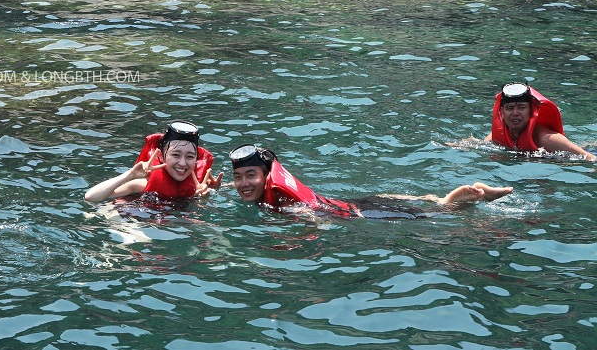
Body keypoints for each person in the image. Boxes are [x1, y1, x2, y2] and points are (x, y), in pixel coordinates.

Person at [229, 144, 513, 218]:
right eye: (238, 177)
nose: (243, 184)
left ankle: (456, 201)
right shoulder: (270, 192)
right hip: (356, 202)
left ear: (267, 177)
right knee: (425, 202)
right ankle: (443, 198)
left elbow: (310, 218)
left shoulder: (282, 202)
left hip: (364, 214)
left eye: (251, 175)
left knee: (442, 215)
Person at [84, 120, 223, 202]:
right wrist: (130, 174)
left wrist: (210, 193)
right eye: (175, 155)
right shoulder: (142, 183)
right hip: (130, 216)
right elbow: (90, 197)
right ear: (161, 157)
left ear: (197, 160)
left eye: (190, 157)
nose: (182, 163)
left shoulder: (200, 187)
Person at [485, 82, 595, 161]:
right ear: (502, 113)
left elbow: (590, 158)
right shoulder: (496, 137)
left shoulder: (547, 139)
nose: (515, 113)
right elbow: (476, 144)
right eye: (510, 108)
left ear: (531, 111)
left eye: (521, 107)